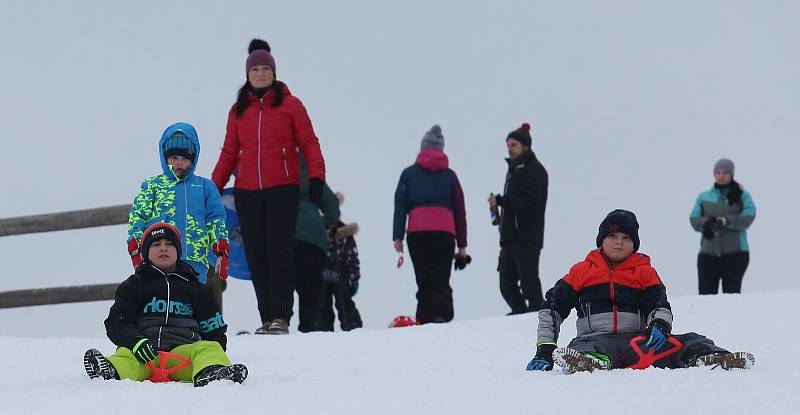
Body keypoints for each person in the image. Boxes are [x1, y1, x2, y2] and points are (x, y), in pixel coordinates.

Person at [526, 209, 755, 374]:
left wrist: (659, 326)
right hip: (596, 340)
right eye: (612, 236)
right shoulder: (582, 271)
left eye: (626, 238)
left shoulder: (644, 272)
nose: (619, 242)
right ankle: (589, 362)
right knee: (582, 347)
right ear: (601, 240)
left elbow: (659, 306)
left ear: (634, 243)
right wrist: (545, 349)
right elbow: (551, 309)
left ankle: (709, 357)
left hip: (639, 343)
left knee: (689, 340)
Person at [211, 39, 327, 334]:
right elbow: (228, 152)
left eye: (266, 68)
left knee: (279, 252)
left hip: (282, 188)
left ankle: (281, 317)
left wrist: (317, 176)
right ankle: (267, 318)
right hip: (248, 191)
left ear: (274, 73)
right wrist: (213, 188)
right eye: (255, 69)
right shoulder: (238, 111)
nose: (260, 73)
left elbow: (309, 142)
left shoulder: (291, 105)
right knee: (256, 256)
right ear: (248, 74)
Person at [84, 223, 247, 386]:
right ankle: (110, 370)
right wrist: (135, 341)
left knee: (208, 348)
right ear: (146, 252)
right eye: (156, 244)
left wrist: (214, 352)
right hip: (145, 356)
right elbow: (116, 322)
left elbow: (214, 328)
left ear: (178, 251)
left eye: (169, 244)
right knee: (126, 354)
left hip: (182, 358)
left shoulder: (195, 288)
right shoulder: (134, 285)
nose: (163, 248)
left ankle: (212, 372)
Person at [127, 122, 230, 284]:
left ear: (194, 158)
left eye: (185, 158)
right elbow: (138, 217)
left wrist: (221, 249)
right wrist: (136, 245)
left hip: (193, 261)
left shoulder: (204, 187)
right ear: (165, 157)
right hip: (158, 259)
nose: (179, 163)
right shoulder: (153, 186)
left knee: (191, 303)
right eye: (174, 157)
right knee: (159, 301)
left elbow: (215, 220)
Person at [393, 124, 468, 324]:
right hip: (444, 232)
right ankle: (442, 316)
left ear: (422, 148)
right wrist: (462, 245)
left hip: (417, 233)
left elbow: (400, 204)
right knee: (441, 278)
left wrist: (397, 236)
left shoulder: (408, 174)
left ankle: (424, 319)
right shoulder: (450, 176)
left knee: (423, 279)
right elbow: (459, 211)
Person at [487, 123, 548, 314]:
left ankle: (538, 316)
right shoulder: (513, 171)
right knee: (506, 284)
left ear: (525, 146)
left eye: (513, 144)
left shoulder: (535, 170)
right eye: (508, 145)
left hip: (527, 236)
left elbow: (530, 200)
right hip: (509, 238)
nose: (509, 149)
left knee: (529, 282)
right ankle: (521, 316)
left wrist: (502, 201)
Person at [690, 158, 756, 294]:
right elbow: (694, 218)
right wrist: (706, 224)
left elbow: (749, 216)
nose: (721, 175)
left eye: (725, 172)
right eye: (718, 172)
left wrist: (726, 221)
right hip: (708, 255)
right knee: (705, 298)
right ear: (714, 174)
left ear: (731, 174)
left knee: (731, 297)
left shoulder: (743, 196)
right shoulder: (703, 197)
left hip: (736, 255)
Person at [293, 156, 340, 333]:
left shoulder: (276, 170)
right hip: (313, 239)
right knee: (309, 288)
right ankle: (307, 327)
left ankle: (278, 323)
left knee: (282, 285)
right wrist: (327, 223)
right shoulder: (310, 174)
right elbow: (332, 206)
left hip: (283, 234)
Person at [317, 192, 363, 332]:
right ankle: (351, 325)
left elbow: (352, 256)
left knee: (325, 305)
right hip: (336, 271)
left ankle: (323, 327)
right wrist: (354, 277)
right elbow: (352, 256)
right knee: (342, 303)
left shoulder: (317, 230)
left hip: (325, 271)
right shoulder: (342, 232)